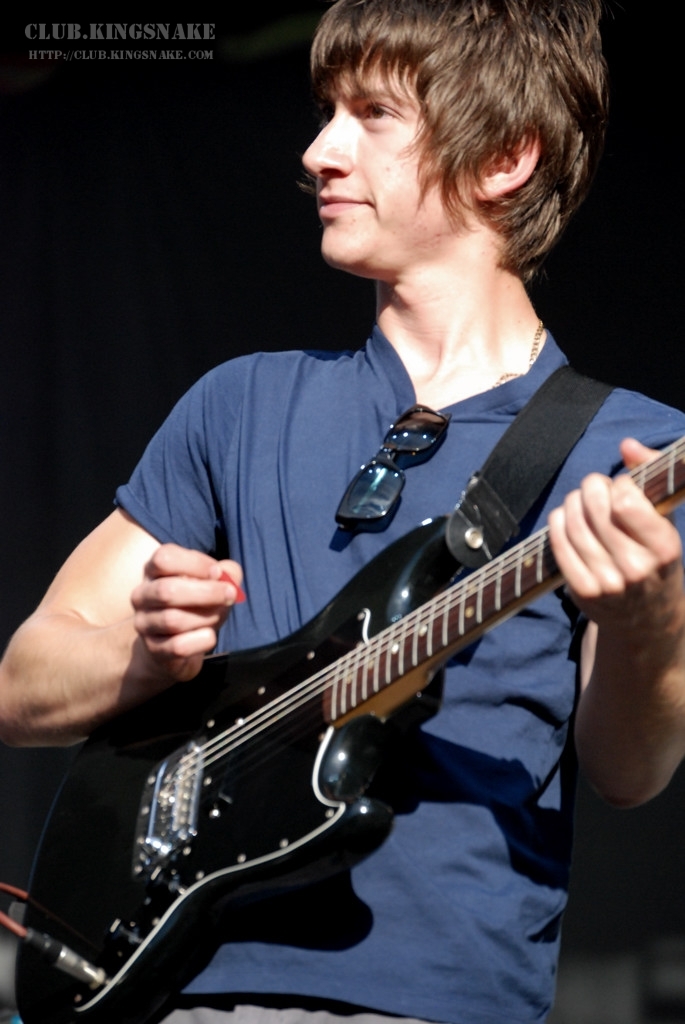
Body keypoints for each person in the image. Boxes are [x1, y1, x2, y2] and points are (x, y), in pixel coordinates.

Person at [2, 1, 685, 1022]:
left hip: (434, 1000)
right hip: (171, 983)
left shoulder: (635, 450)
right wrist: (147, 658)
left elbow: (631, 772)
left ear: (504, 157)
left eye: (372, 114)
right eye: (327, 111)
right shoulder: (240, 402)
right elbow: (22, 683)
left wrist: (646, 622)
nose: (319, 151)